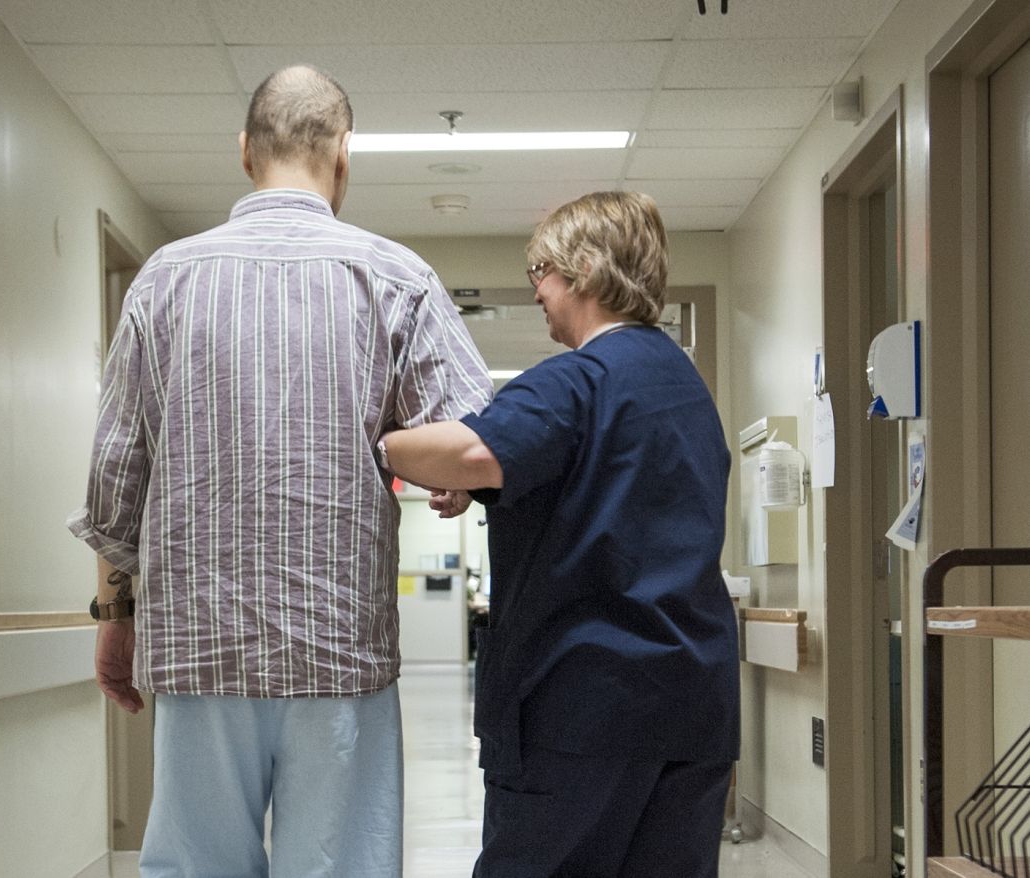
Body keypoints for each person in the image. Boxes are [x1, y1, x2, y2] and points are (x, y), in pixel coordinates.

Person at [67, 65, 492, 878]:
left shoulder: (164, 279)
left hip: (199, 647)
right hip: (340, 651)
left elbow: (117, 479)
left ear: (244, 152)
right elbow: (477, 433)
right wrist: (450, 476)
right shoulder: (396, 277)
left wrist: (113, 618)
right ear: (343, 155)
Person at [379, 191, 740, 877]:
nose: (538, 291)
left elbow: (476, 453)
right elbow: (592, 484)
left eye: (539, 271)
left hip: (585, 710)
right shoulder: (683, 386)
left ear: (580, 272)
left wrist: (380, 444)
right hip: (692, 704)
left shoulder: (583, 377)